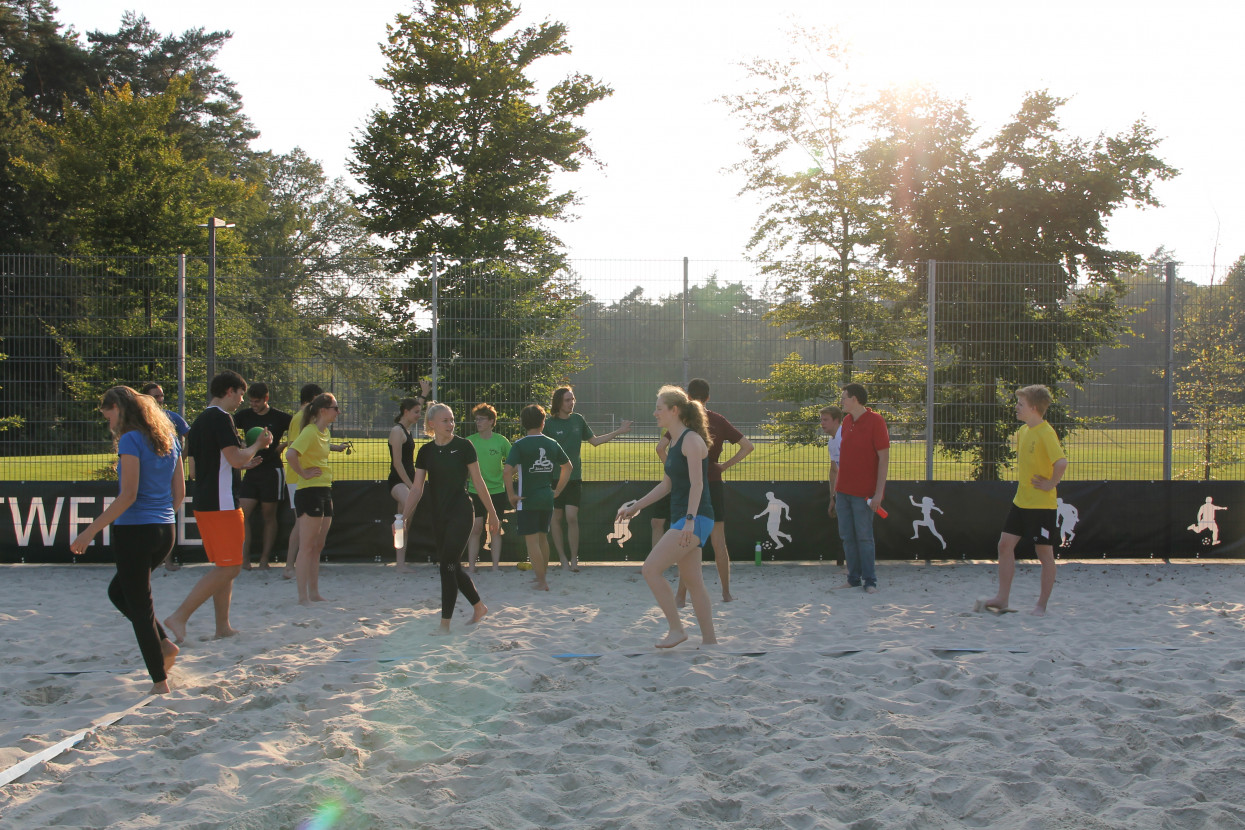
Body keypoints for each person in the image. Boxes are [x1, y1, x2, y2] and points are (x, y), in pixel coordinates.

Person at [70, 386, 185, 695]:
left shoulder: (131, 439)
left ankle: (159, 681)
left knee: (140, 604)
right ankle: (164, 643)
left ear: (118, 408)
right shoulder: (169, 439)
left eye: (107, 412)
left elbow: (128, 495)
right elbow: (179, 495)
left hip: (136, 530)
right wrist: (160, 519)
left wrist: (90, 530)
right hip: (165, 531)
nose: (106, 418)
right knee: (119, 591)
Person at [164, 371, 271, 643]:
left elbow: (215, 462)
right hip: (221, 503)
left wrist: (243, 462)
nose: (242, 400)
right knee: (231, 567)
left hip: (207, 500)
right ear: (229, 391)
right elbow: (234, 458)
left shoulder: (201, 419)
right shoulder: (222, 418)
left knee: (226, 564)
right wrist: (257, 445)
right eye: (240, 394)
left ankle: (222, 626)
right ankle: (180, 616)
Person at [615, 386, 717, 649]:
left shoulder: (692, 440)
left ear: (675, 410)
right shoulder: (674, 441)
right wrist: (636, 506)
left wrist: (691, 521)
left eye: (659, 408)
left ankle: (676, 629)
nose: (655, 413)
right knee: (694, 583)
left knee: (650, 570)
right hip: (684, 519)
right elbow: (667, 485)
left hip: (694, 519)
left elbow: (698, 485)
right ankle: (710, 641)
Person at [402, 403, 499, 633]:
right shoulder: (426, 451)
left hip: (461, 511)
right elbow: (416, 489)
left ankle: (444, 624)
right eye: (445, 420)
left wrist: (492, 513)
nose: (451, 424)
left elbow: (478, 481)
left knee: (446, 565)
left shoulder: (464, 446)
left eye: (452, 419)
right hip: (438, 514)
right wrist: (404, 517)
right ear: (432, 424)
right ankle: (478, 607)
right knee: (451, 565)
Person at [978, 384, 1067, 616]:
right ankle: (1002, 599)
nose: (1016, 407)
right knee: (1004, 546)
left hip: (1042, 506)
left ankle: (1041, 605)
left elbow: (1061, 463)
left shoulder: (1046, 433)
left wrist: (1050, 484)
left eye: (1021, 404)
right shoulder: (1024, 431)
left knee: (1044, 554)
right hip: (1021, 501)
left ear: (1034, 408)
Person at [673, 378, 753, 604]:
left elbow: (661, 448)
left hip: (689, 485)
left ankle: (680, 596)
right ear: (708, 397)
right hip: (713, 483)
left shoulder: (684, 420)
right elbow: (748, 446)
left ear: (687, 396)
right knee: (719, 541)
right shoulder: (718, 420)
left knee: (686, 541)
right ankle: (726, 593)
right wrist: (723, 466)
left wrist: (676, 471)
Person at [543, 385, 633, 571]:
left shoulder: (578, 420)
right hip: (553, 478)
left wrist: (619, 431)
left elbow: (595, 441)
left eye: (573, 399)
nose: (572, 403)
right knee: (555, 519)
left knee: (572, 517)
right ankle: (562, 558)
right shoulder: (549, 424)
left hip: (574, 479)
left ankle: (574, 558)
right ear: (559, 402)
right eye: (568, 400)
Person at [286, 392, 347, 606]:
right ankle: (303, 596)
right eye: (335, 408)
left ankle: (314, 592)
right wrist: (303, 473)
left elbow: (319, 450)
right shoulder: (310, 431)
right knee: (307, 545)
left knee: (318, 545)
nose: (338, 412)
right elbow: (290, 453)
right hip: (308, 491)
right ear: (323, 410)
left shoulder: (324, 432)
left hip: (324, 490)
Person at [504, 404, 573, 591]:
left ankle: (542, 581)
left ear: (523, 423)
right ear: (543, 422)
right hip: (547, 498)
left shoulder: (519, 445)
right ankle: (542, 578)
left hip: (527, 500)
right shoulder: (552, 443)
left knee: (532, 541)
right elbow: (568, 467)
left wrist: (511, 495)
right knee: (543, 539)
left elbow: (507, 471)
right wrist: (557, 491)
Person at [833, 382, 889, 594]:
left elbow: (884, 458)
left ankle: (870, 580)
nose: (842, 401)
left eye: (844, 397)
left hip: (864, 493)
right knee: (847, 536)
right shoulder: (847, 421)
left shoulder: (876, 421)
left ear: (854, 398)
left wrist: (878, 493)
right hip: (843, 490)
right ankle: (853, 578)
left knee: (864, 537)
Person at [232, 382, 292, 570]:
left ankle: (265, 559)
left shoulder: (280, 417)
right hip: (250, 469)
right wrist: (241, 445)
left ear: (266, 399)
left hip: (272, 471)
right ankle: (245, 558)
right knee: (243, 514)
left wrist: (281, 447)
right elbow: (228, 430)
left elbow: (299, 431)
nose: (253, 405)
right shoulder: (243, 416)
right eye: (250, 401)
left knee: (269, 515)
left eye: (257, 402)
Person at [141, 381, 190, 572]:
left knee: (167, 514)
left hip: (167, 476)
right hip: (147, 475)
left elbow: (190, 435)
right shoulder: (138, 420)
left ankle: (167, 561)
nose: (160, 400)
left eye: (161, 396)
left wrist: (181, 459)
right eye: (156, 396)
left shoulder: (171, 417)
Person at [282, 383, 322, 580]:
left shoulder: (301, 418)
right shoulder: (302, 418)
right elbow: (295, 451)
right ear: (314, 398)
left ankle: (295, 565)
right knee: (301, 523)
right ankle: (290, 566)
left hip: (300, 476)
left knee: (303, 522)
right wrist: (304, 472)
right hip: (299, 477)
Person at [466, 403, 512, 573]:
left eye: (482, 419)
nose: (478, 422)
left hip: (497, 491)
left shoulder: (501, 441)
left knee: (495, 528)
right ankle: (471, 566)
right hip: (475, 491)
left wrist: (507, 474)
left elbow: (513, 462)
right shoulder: (470, 441)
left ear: (492, 421)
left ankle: (495, 567)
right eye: (477, 419)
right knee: (476, 526)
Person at [387, 388, 428, 572]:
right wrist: (411, 486)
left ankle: (400, 564)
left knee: (406, 521)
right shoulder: (397, 431)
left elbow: (414, 405)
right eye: (416, 412)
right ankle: (396, 524)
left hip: (409, 480)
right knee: (405, 513)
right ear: (406, 412)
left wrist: (424, 394)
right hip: (398, 481)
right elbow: (397, 463)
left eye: (420, 412)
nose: (419, 415)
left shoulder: (408, 429)